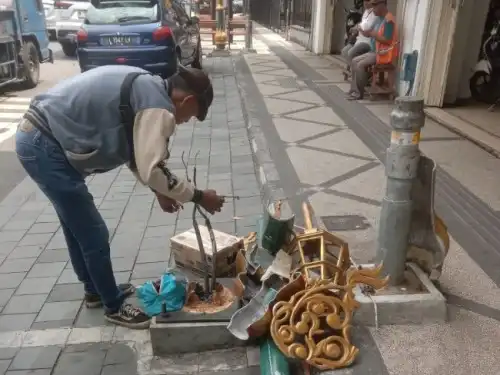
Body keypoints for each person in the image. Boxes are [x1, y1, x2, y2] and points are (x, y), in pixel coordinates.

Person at [15, 64, 225, 329]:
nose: (184, 121)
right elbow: (152, 168)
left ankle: (95, 291)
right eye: (191, 115)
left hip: (39, 137)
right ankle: (113, 307)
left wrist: (159, 190)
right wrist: (198, 196)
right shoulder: (158, 107)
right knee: (93, 232)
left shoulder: (147, 87)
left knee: (76, 226)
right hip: (45, 145)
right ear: (188, 100)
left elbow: (135, 150)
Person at [347, 0, 398, 101]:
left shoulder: (389, 20)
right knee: (354, 61)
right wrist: (364, 32)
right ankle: (354, 90)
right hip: (375, 51)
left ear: (382, 5)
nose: (372, 8)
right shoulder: (378, 19)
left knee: (360, 64)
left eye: (374, 5)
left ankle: (359, 93)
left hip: (383, 54)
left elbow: (387, 40)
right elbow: (370, 32)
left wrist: (374, 34)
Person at [341, 0, 377, 72]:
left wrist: (358, 28)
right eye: (365, 1)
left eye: (368, 1)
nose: (365, 3)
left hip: (367, 42)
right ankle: (356, 71)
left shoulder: (375, 14)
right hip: (359, 40)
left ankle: (358, 72)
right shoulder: (366, 12)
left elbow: (367, 28)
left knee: (351, 53)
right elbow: (362, 24)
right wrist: (355, 28)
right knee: (344, 51)